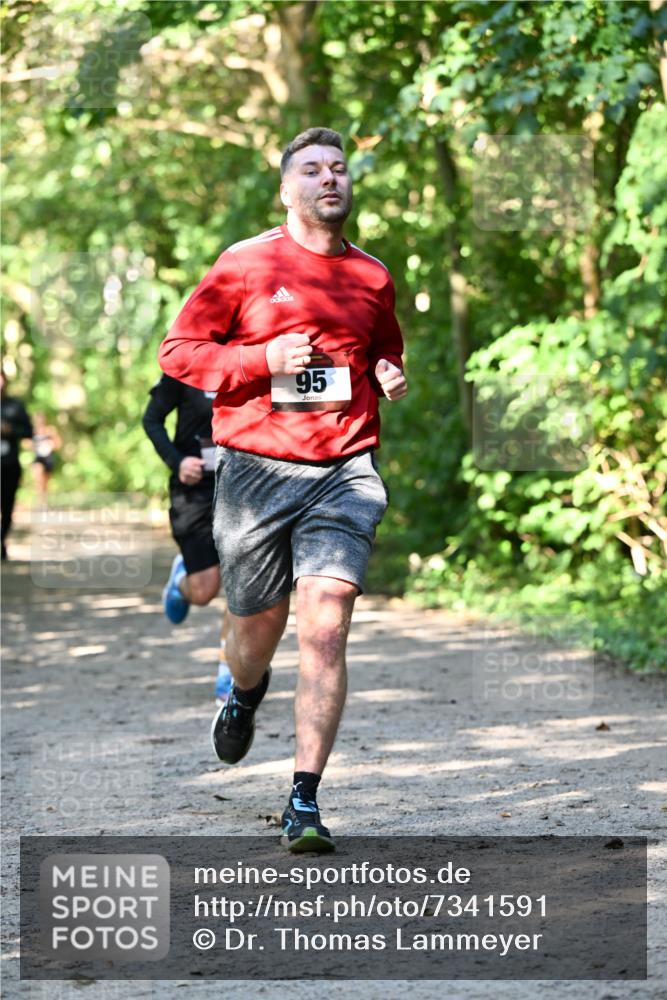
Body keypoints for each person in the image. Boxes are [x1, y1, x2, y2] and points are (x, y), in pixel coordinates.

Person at [158, 126, 407, 853]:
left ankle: (303, 801)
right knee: (253, 633)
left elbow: (383, 346)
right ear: (285, 188)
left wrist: (388, 371)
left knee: (325, 625)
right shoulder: (245, 263)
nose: (328, 179)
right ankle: (242, 692)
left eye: (338, 169)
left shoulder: (371, 276)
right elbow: (179, 354)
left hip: (345, 470)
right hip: (257, 472)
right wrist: (262, 357)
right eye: (311, 170)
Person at [142, 373, 232, 703]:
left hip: (242, 488)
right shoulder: (185, 367)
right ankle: (181, 582)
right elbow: (151, 419)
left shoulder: (254, 354)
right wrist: (177, 462)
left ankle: (229, 671)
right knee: (205, 589)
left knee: (241, 581)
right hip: (193, 491)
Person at [1, 369, 33, 560]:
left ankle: (1, 540)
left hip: (9, 464)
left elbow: (29, 431)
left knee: (7, 505)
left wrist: (9, 430)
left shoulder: (15, 406)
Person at [31, 412, 62, 507]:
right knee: (37, 477)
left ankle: (44, 501)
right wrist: (33, 445)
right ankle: (39, 501)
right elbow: (26, 443)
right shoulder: (33, 431)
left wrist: (51, 443)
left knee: (45, 482)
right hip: (38, 458)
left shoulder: (50, 430)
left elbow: (58, 444)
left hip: (48, 458)